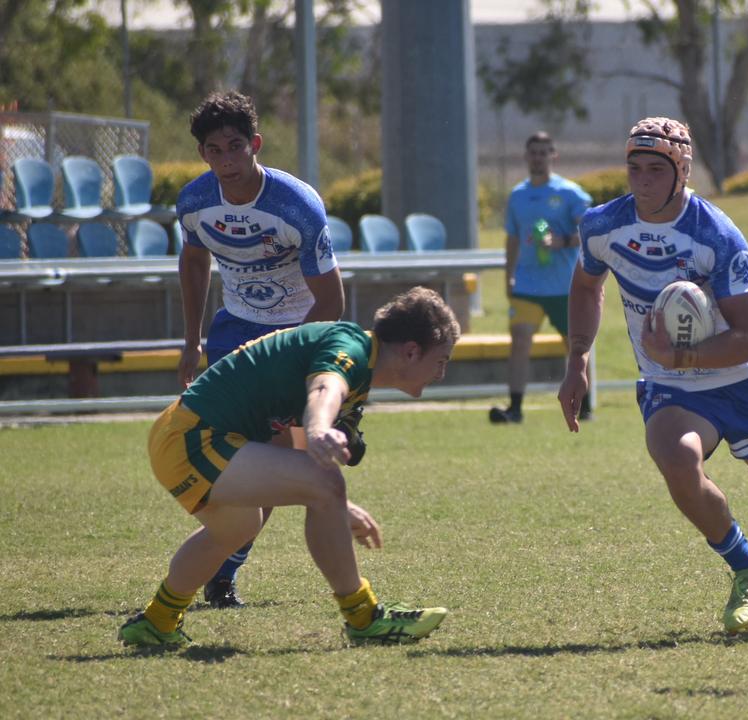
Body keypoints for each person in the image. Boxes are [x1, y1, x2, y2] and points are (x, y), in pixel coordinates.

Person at [558, 117, 748, 634]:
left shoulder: (716, 236)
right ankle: (747, 570)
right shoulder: (602, 226)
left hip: (742, 381)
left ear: (682, 171)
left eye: (656, 169)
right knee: (676, 459)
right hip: (671, 387)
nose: (642, 180)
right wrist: (578, 359)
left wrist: (680, 355)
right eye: (634, 168)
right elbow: (587, 287)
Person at [119, 286, 459, 648]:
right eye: (441, 361)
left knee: (238, 527)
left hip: (186, 434)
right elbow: (324, 390)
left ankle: (157, 621)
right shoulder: (351, 349)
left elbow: (290, 442)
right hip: (191, 438)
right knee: (322, 482)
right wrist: (317, 430)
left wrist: (334, 502)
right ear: (410, 351)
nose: (442, 373)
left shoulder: (359, 363)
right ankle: (364, 618)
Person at [175, 90, 346, 609]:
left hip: (296, 334)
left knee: (277, 467)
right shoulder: (195, 203)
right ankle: (219, 573)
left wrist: (287, 354)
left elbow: (332, 300)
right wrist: (191, 341)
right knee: (245, 463)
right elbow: (195, 261)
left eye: (234, 147)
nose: (225, 160)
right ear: (203, 153)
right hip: (233, 334)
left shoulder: (296, 206)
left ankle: (220, 568)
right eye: (213, 150)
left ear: (255, 144)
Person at [490, 131, 594, 424]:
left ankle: (584, 406)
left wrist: (560, 241)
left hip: (564, 285)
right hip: (527, 284)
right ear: (526, 156)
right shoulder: (518, 195)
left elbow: (590, 232)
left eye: (544, 152)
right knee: (520, 341)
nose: (538, 157)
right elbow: (512, 239)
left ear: (553, 156)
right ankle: (515, 408)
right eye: (533, 152)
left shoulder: (570, 193)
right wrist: (508, 276)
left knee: (575, 347)